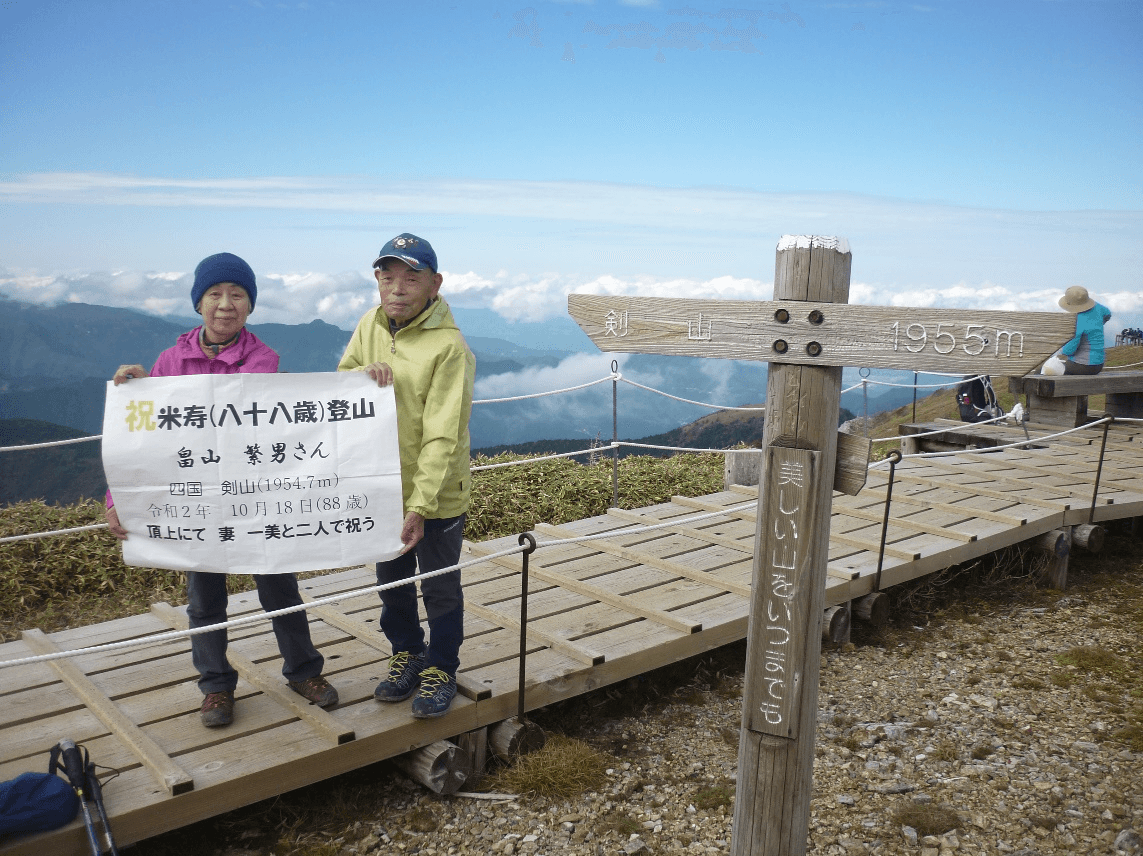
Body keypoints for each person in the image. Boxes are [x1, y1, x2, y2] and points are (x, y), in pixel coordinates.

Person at [106, 252, 339, 727]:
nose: (226, 304)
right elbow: (142, 440)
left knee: (280, 586)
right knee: (204, 599)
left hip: (252, 501)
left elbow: (278, 432)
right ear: (198, 303)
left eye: (237, 295)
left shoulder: (262, 359)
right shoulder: (169, 362)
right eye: (215, 294)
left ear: (250, 306)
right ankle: (215, 687)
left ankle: (303, 671)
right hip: (196, 504)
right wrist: (119, 499)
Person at [337, 233, 475, 719]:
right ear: (377, 280)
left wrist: (418, 506)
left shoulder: (449, 347)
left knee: (438, 585)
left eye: (410, 277)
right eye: (387, 276)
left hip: (435, 496)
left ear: (434, 284)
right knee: (391, 583)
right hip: (382, 488)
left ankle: (441, 667)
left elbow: (444, 435)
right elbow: (341, 383)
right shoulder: (368, 326)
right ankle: (406, 654)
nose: (396, 287)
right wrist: (361, 374)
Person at [1057, 286, 1112, 375]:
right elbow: (1108, 313)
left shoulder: (1078, 321)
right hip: (1099, 365)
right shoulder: (1098, 307)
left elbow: (1069, 350)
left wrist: (1061, 350)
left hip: (1082, 365)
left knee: (1042, 371)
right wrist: (1096, 326)